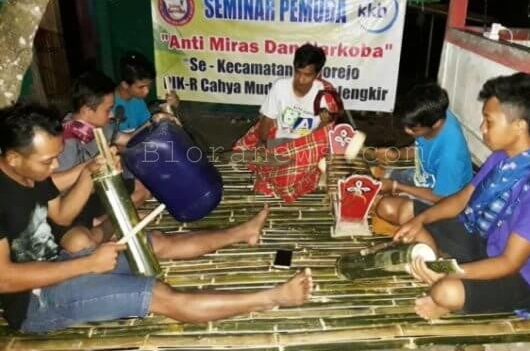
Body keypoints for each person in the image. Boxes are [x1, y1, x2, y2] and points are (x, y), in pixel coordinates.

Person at [0, 103, 313, 333]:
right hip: (36, 302)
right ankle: (273, 297)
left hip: (59, 264)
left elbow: (61, 214)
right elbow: (5, 278)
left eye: (56, 157)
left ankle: (242, 233)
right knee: (160, 295)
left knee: (153, 242)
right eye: (48, 160)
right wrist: (86, 264)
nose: (54, 166)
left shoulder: (33, 173)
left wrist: (88, 174)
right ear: (13, 158)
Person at [393, 72, 530, 319]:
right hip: (487, 241)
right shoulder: (502, 157)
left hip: (525, 277)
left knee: (446, 291)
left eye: (489, 121)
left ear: (519, 126)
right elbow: (462, 199)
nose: (482, 129)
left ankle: (441, 272)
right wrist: (420, 220)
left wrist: (448, 271)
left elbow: (509, 263)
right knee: (406, 213)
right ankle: (441, 265)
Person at [50, 71, 151, 252]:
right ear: (88, 111)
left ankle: (105, 222)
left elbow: (128, 139)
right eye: (107, 109)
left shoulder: (101, 127)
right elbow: (53, 184)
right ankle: (110, 222)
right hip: (74, 202)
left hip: (98, 191)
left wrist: (154, 124)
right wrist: (91, 166)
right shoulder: (64, 139)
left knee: (143, 187)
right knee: (79, 242)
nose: (112, 113)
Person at [232, 43, 343, 202]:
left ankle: (276, 172)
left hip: (304, 145)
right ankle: (269, 168)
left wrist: (323, 124)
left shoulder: (324, 95)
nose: (301, 79)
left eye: (307, 75)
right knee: (256, 156)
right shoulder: (280, 87)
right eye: (297, 72)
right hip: (279, 140)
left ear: (318, 74)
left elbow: (320, 135)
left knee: (285, 176)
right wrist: (262, 143)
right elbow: (267, 119)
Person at [373, 83, 473, 225]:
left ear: (436, 124)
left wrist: (397, 187)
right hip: (425, 178)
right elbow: (420, 147)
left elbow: (442, 199)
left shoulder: (450, 156)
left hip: (446, 202)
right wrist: (396, 154)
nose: (407, 131)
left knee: (385, 207)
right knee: (378, 178)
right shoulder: (436, 114)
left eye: (414, 130)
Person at [115, 52, 179, 133]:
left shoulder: (137, 100)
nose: (147, 91)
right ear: (125, 85)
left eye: (149, 85)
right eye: (141, 87)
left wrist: (172, 108)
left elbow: (146, 129)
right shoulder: (109, 104)